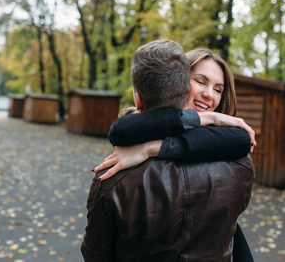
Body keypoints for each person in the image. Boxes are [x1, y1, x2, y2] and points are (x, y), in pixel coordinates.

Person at [81, 40, 254, 261]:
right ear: (182, 82)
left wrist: (151, 148)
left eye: (218, 89)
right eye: (200, 81)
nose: (210, 95)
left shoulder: (229, 147)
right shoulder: (237, 162)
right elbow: (122, 128)